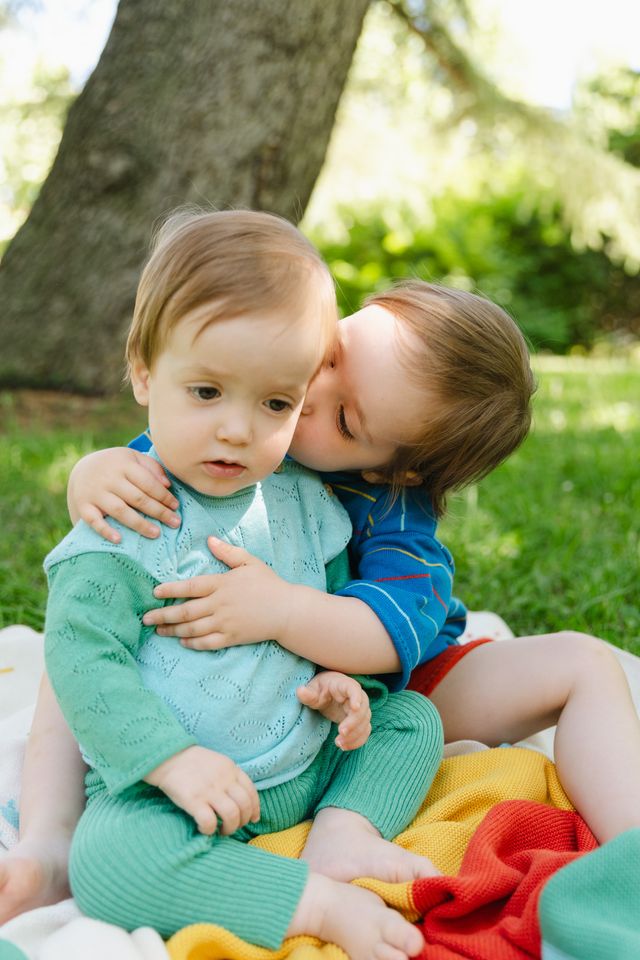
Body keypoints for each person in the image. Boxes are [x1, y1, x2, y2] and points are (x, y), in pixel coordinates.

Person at [4, 255, 640, 930]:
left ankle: (629, 842)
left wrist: (281, 610)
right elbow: (148, 479)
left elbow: (383, 635)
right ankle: (51, 840)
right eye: (332, 354)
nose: (308, 392)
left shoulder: (394, 512)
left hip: (381, 683)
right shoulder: (243, 421)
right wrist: (94, 474)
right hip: (225, 676)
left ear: (395, 466)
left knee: (581, 661)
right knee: (73, 651)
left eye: (344, 417)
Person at [8, 209, 445, 959]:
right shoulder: (129, 516)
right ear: (144, 372)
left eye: (275, 403)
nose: (239, 430)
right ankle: (312, 900)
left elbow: (330, 598)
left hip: (305, 758)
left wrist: (345, 689)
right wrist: (171, 762)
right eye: (207, 392)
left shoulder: (306, 501)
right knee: (109, 863)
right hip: (179, 787)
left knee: (413, 721)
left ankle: (342, 835)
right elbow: (83, 663)